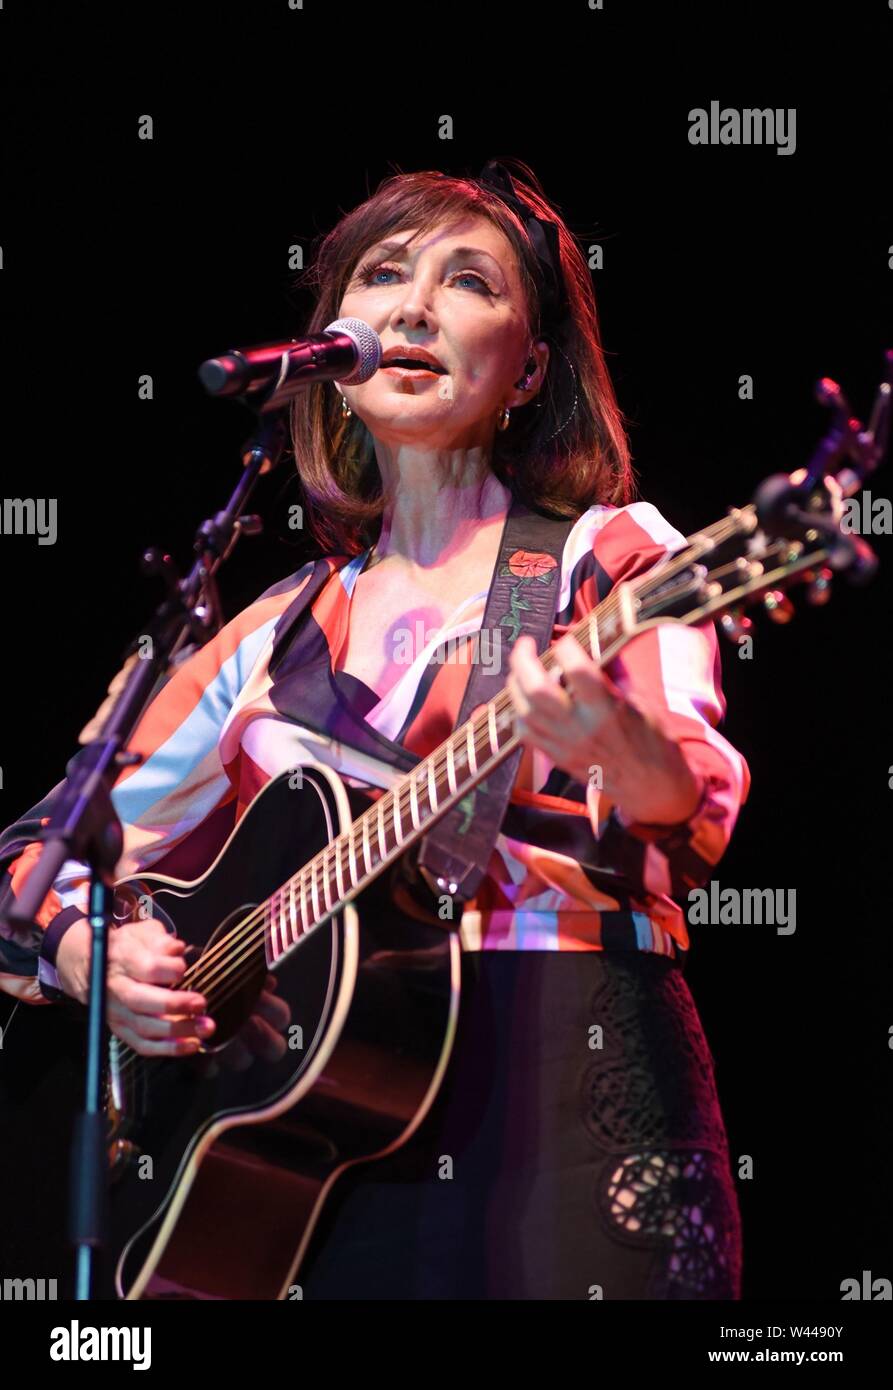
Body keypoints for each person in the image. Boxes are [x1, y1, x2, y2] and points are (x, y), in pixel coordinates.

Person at [0, 158, 751, 1299]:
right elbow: (35, 860)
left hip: (564, 1083)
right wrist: (86, 953)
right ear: (330, 347)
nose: (411, 307)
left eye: (467, 283)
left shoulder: (603, 554)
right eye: (382, 275)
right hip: (303, 1142)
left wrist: (616, 745)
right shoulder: (268, 629)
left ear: (526, 367)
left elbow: (686, 817)